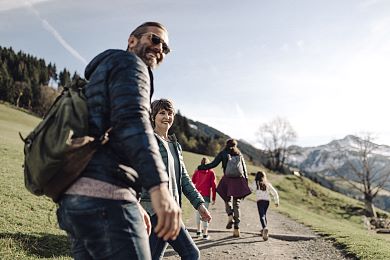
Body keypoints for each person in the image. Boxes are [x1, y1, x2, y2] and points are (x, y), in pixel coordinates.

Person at [56, 22, 181, 260]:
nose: (160, 49)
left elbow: (109, 139)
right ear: (132, 40)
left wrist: (133, 200)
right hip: (106, 200)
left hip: (75, 200)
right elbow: (132, 124)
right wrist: (160, 188)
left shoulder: (103, 74)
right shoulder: (131, 65)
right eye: (155, 39)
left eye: (165, 47)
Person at [140, 98, 212, 260]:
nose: (167, 117)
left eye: (170, 113)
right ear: (153, 117)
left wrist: (200, 205)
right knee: (191, 254)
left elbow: (184, 179)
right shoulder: (147, 141)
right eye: (162, 113)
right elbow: (139, 175)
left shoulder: (175, 145)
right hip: (154, 211)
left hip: (172, 211)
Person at [197, 139, 251, 237]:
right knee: (237, 204)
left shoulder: (223, 153)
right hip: (238, 180)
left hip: (227, 180)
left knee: (227, 199)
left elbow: (213, 164)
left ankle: (230, 215)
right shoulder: (239, 154)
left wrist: (201, 167)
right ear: (235, 145)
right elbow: (244, 169)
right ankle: (237, 228)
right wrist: (245, 181)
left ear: (226, 145)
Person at [192, 157, 217, 240]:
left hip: (197, 194)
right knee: (205, 214)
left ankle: (198, 231)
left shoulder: (197, 171)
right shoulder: (211, 172)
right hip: (206, 195)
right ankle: (205, 234)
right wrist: (214, 197)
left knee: (198, 213)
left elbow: (193, 181)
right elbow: (214, 186)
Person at [251, 171, 280, 241]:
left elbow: (250, 190)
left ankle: (265, 228)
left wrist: (242, 194)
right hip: (267, 201)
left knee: (262, 215)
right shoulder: (267, 184)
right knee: (264, 215)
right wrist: (276, 201)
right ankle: (264, 229)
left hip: (260, 201)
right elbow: (274, 192)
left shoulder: (256, 183)